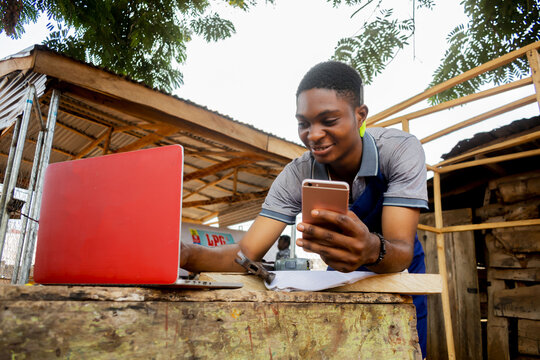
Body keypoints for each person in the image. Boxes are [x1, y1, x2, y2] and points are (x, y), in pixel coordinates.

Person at [181, 61, 428, 357]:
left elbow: (400, 249)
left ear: (360, 115)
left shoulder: (400, 151)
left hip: (399, 279)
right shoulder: (297, 174)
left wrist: (370, 249)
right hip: (341, 282)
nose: (313, 135)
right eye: (304, 123)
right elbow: (247, 252)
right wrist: (186, 254)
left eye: (329, 120)